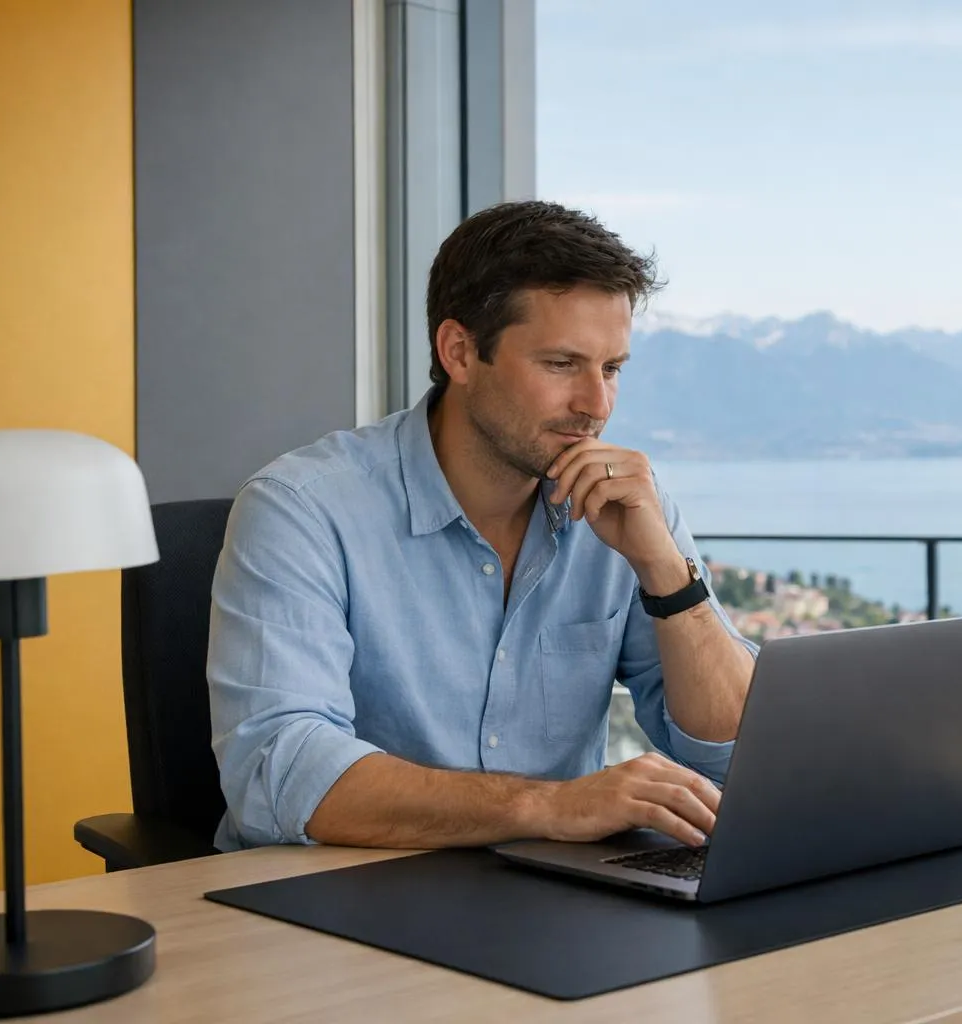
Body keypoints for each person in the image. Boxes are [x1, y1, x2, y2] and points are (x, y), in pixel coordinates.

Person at [206, 200, 758, 853]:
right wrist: (549, 805)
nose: (597, 404)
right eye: (561, 365)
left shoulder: (628, 504)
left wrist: (667, 576)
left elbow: (736, 754)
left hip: (549, 901)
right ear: (460, 351)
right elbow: (280, 773)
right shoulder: (301, 508)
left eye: (611, 369)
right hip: (337, 899)